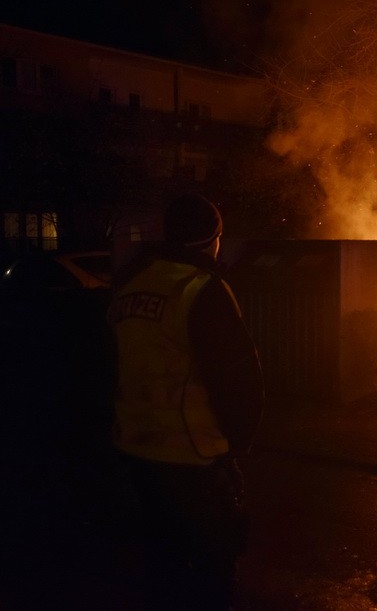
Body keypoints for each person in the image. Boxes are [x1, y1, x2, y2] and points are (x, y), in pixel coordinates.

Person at [109, 193, 264, 610]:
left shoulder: (129, 285)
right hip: (195, 457)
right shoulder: (204, 289)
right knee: (213, 567)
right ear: (213, 239)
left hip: (136, 453)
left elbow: (106, 366)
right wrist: (237, 443)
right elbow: (237, 379)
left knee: (161, 565)